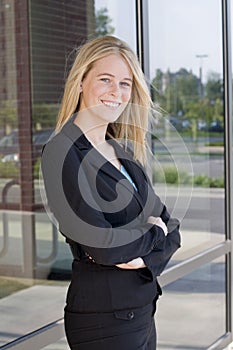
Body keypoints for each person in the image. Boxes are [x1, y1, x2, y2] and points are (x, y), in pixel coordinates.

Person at [41, 35, 181, 350]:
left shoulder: (121, 151)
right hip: (104, 321)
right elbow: (102, 246)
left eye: (125, 83)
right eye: (105, 80)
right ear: (80, 82)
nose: (116, 92)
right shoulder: (63, 152)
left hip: (143, 310)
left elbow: (173, 230)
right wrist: (152, 233)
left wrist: (140, 253)